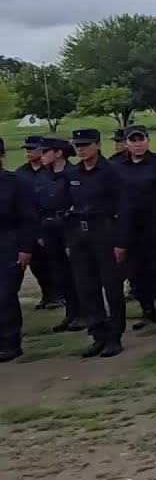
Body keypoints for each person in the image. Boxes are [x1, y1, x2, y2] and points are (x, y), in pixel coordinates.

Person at [65, 127, 130, 358]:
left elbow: (123, 208)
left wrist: (120, 241)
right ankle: (98, 334)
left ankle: (114, 336)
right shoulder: (72, 173)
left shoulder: (112, 172)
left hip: (105, 232)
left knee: (112, 287)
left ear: (98, 145)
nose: (80, 149)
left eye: (85, 145)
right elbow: (65, 205)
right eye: (77, 146)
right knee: (85, 286)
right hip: (80, 235)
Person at [117, 124, 156, 329]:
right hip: (129, 225)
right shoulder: (117, 166)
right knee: (135, 269)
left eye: (141, 139)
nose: (137, 144)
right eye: (132, 140)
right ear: (126, 143)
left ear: (147, 140)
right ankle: (146, 309)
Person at [36, 137, 80, 333]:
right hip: (49, 228)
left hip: (69, 227)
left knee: (78, 273)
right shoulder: (43, 177)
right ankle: (71, 313)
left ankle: (84, 312)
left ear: (58, 153)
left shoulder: (73, 174)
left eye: (45, 152)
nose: (41, 156)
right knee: (60, 273)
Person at [0, 138, 38, 363]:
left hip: (8, 242)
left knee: (4, 295)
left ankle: (10, 342)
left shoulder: (16, 183)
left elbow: (28, 219)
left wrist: (25, 248)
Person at [13, 135, 61, 309]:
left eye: (32, 149)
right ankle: (47, 294)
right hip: (30, 222)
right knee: (37, 264)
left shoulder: (49, 172)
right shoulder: (20, 173)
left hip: (49, 221)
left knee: (53, 261)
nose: (28, 152)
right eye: (27, 149)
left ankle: (58, 294)